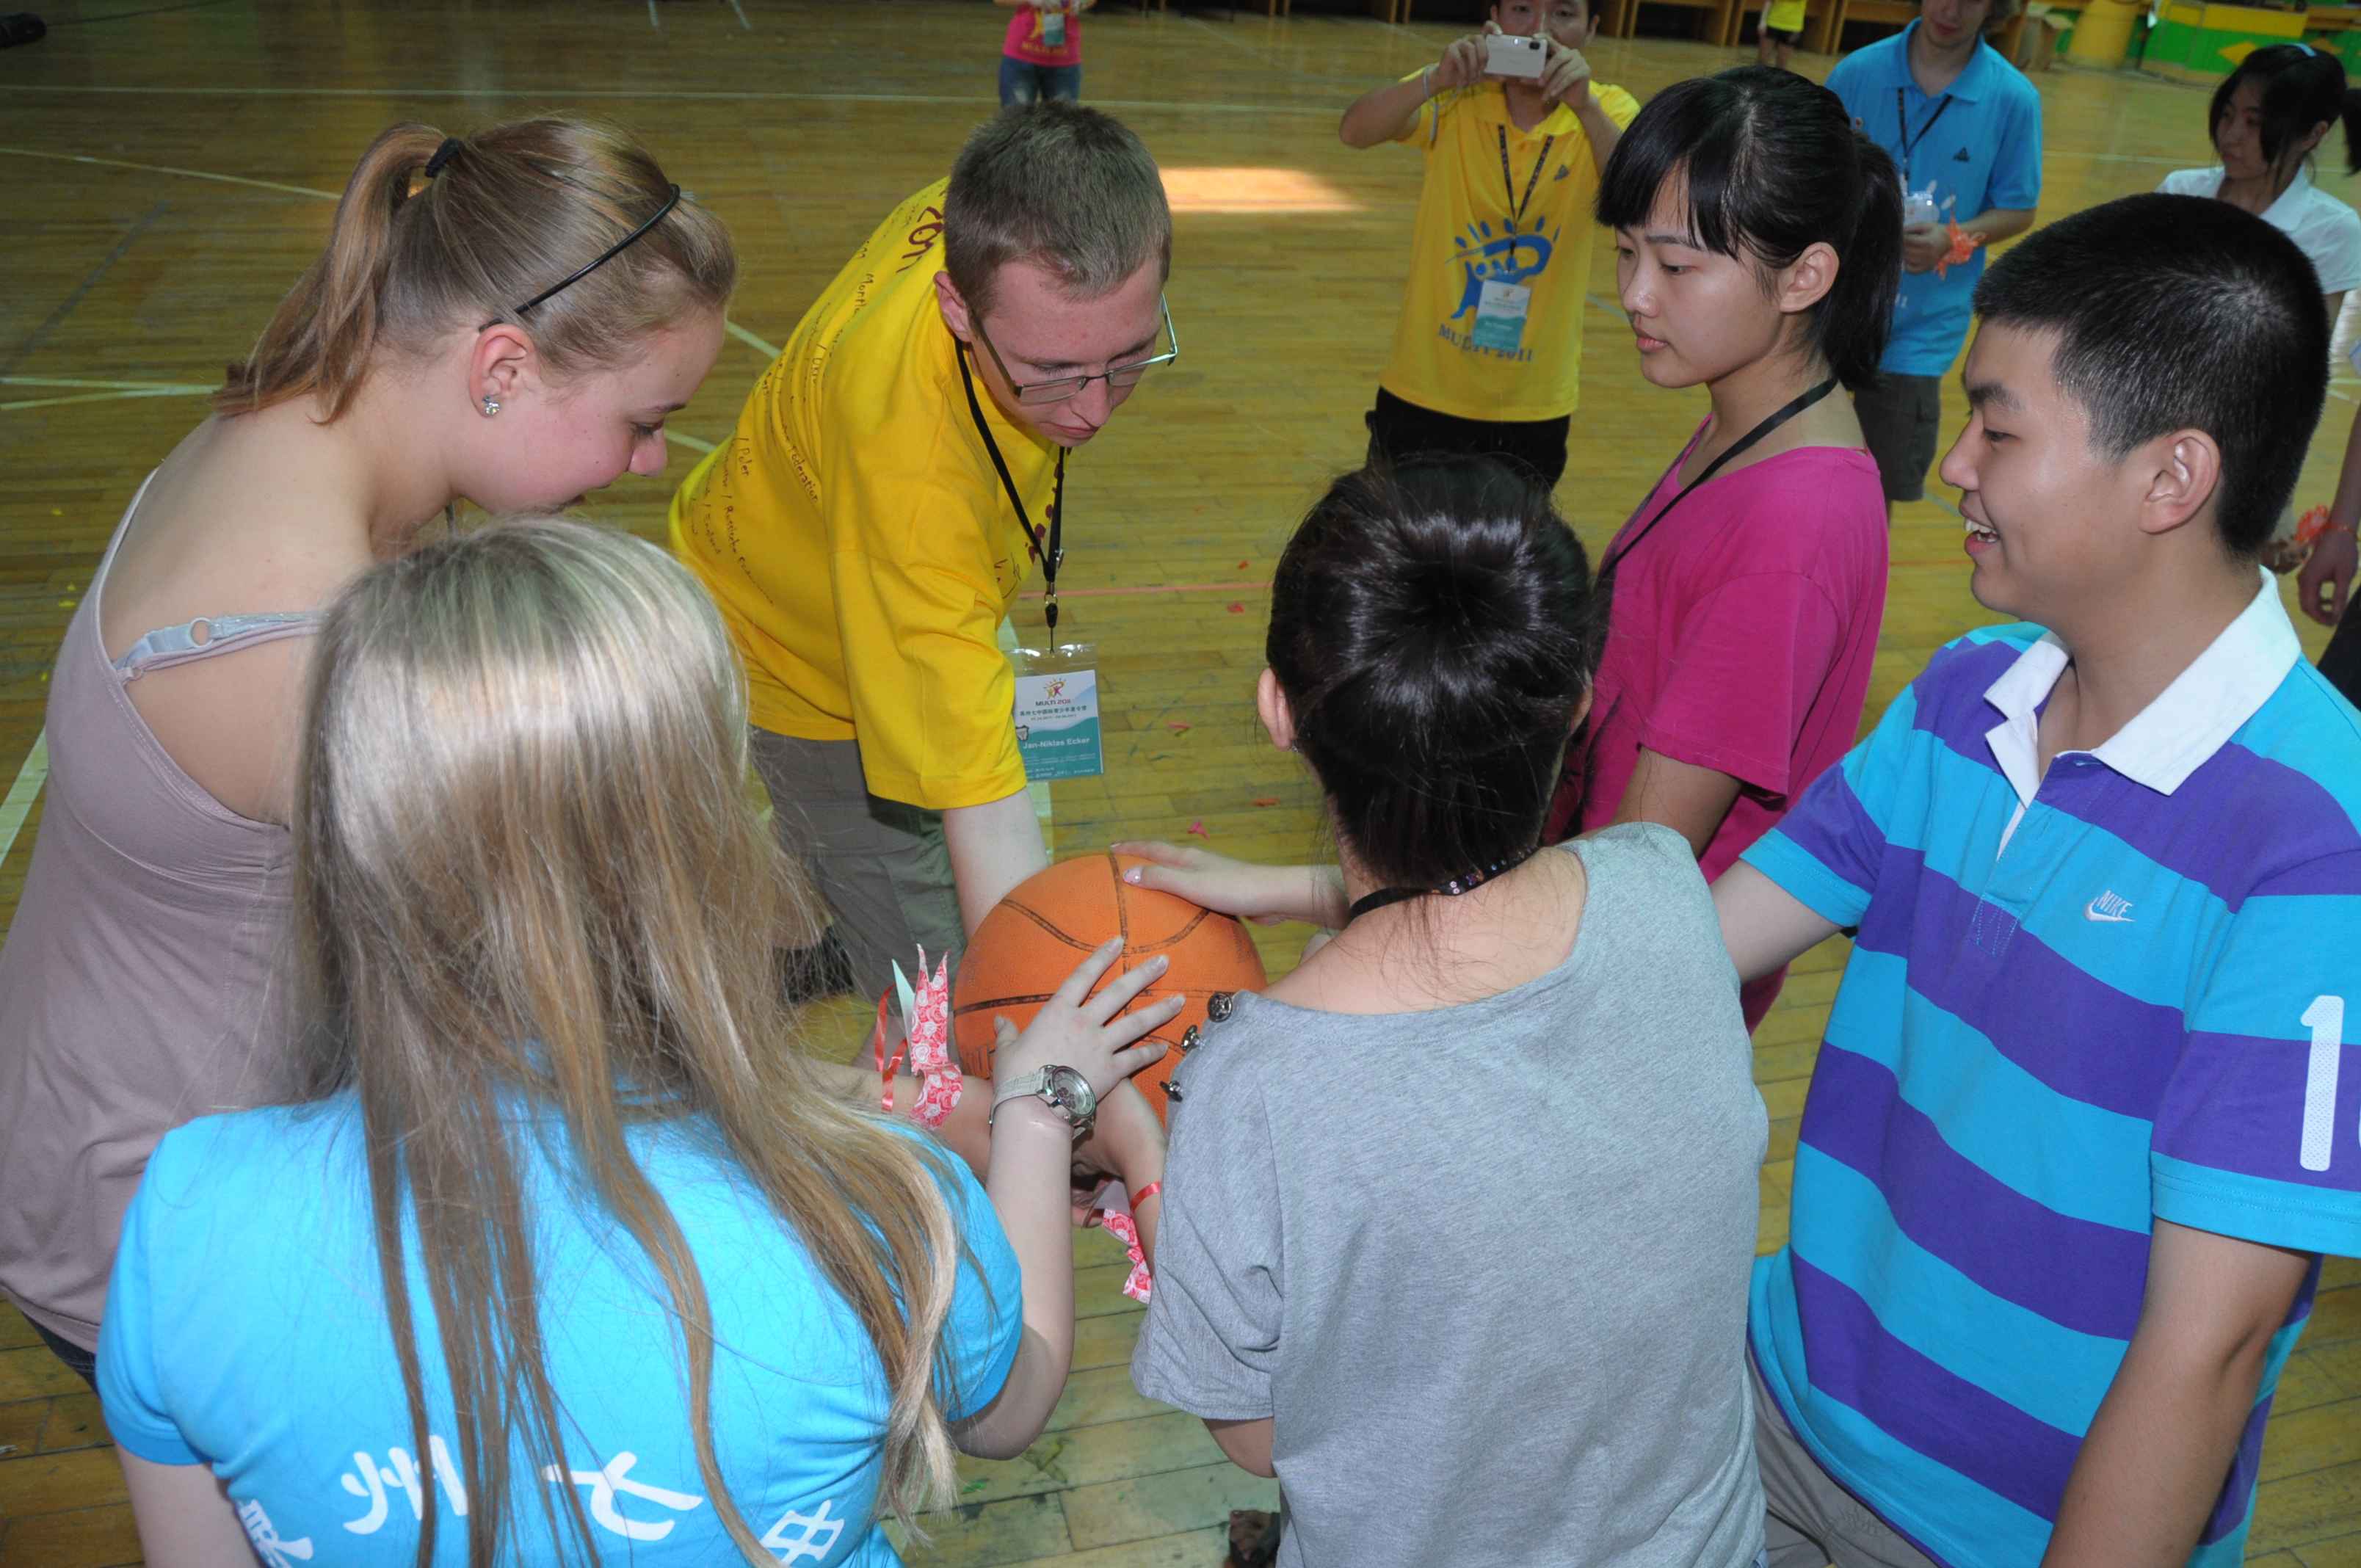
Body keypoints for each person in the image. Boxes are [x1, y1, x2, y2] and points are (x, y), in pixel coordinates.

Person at [94, 522, 1182, 1565]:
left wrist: (825, 1105)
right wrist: (1040, 1114)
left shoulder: (188, 1215)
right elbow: (1009, 1404)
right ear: (697, 858)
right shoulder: (879, 1214)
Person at [0, 118, 736, 1390]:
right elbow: (533, 1009)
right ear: (501, 365)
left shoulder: (298, 424)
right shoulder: (307, 642)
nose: (651, 460)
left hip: (117, 1125)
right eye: (643, 420)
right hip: (158, 1226)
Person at [1714, 195, 2361, 1566]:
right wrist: (1346, 913)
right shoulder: (1966, 698)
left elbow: (2212, 1344)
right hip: (1770, 1407)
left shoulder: (2318, 847)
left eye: (1998, 429)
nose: (1955, 465)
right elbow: (1696, 941)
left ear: (2170, 479)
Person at [1117, 457, 1770, 1568]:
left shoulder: (1257, 1080)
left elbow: (1258, 1436)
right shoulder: (1665, 884)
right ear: (1578, 701)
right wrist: (1294, 890)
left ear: (1279, 708)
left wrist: (1139, 1151)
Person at [670, 101, 1175, 1002]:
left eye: (1131, 355)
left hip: (819, 548)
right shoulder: (915, 481)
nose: (1094, 409)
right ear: (957, 308)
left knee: (894, 871)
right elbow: (986, 812)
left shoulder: (997, 205)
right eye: (1051, 372)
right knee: (937, 983)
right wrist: (1046, 1023)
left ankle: (828, 918)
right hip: (800, 655)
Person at [1551, 66, 1893, 1031]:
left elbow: (1642, 857)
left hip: (1624, 996)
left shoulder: (1789, 528)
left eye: (1677, 267)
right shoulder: (1750, 423)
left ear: (1806, 276)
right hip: (1590, 935)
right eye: (1626, 254)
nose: (1634, 295)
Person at [1338, 0, 1638, 489]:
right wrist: (1434, 80)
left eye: (1564, 14)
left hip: (1533, 402)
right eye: (1522, 9)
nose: (1540, 31)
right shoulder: (1457, 96)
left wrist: (1585, 106)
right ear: (1494, 17)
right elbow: (1354, 131)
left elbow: (1639, 195)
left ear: (1592, 30)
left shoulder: (1607, 108)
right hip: (1425, 386)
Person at [1827, 0, 2040, 512]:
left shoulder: (2013, 99)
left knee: (1876, 492)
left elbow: (2018, 209)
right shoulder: (1857, 74)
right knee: (1798, 465)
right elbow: (1814, 174)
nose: (1953, 9)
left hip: (1921, 333)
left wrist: (1955, 239)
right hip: (1833, 313)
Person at [2158, 43, 2361, 322]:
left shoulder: (2332, 231)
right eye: (2227, 115)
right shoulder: (2179, 191)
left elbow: (2310, 342)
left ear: (2312, 135)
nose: (2230, 136)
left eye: (2254, 123)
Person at [996, 0, 1092, 105]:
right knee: (1017, 114)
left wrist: (1082, 3)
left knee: (1062, 115)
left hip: (1065, 60)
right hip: (1021, 58)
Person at [1756, 0, 1806, 70]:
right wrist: (1763, 21)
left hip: (1793, 27)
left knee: (1782, 61)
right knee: (1762, 58)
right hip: (1772, 23)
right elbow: (1769, 2)